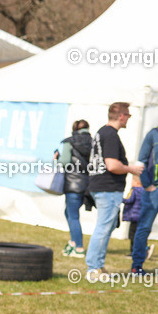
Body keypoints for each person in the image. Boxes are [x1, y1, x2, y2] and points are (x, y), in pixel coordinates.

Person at [85, 102, 142, 282]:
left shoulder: (103, 132)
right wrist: (131, 169)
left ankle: (98, 267)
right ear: (121, 116)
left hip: (101, 186)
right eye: (128, 116)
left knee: (106, 227)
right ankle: (93, 268)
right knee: (103, 228)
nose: (128, 119)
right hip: (107, 187)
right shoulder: (110, 135)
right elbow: (112, 165)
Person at [54, 120, 93, 257]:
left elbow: (64, 162)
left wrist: (56, 159)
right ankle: (73, 242)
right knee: (70, 213)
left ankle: (79, 248)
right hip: (88, 184)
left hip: (73, 184)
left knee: (73, 216)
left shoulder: (69, 141)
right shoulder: (94, 142)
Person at [130, 122, 158, 274]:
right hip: (154, 190)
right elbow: (140, 161)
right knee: (144, 227)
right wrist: (147, 184)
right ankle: (137, 266)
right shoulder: (153, 134)